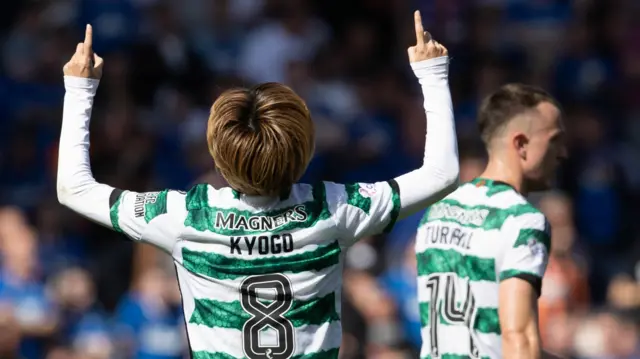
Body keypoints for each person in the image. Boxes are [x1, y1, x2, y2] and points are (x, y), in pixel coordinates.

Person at [57, 12, 459, 359]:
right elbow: (440, 175)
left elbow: (74, 189)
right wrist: (433, 72)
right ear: (304, 149)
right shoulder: (334, 208)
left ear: (216, 154)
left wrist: (80, 89)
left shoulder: (186, 216)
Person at [414, 84, 567, 359]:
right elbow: (518, 336)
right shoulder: (521, 220)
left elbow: (473, 334)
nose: (563, 153)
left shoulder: (436, 212)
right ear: (521, 144)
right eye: (555, 140)